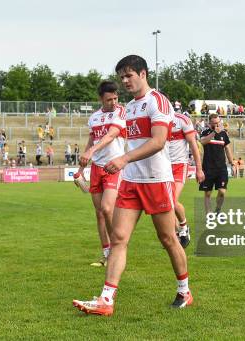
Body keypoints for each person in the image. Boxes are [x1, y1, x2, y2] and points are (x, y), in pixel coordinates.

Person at [73, 55, 192, 316]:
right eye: (121, 77)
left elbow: (159, 141)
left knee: (167, 238)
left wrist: (124, 158)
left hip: (156, 181)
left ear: (143, 74)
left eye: (129, 75)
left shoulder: (158, 101)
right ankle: (106, 299)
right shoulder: (128, 107)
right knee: (118, 238)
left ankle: (184, 290)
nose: (125, 81)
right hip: (131, 181)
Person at [77, 81, 126, 267]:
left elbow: (111, 135)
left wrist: (91, 151)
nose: (113, 102)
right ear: (100, 99)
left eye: (116, 98)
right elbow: (92, 139)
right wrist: (82, 166)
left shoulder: (121, 112)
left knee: (107, 208)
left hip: (113, 166)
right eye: (109, 99)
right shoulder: (94, 117)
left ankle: (117, 250)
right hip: (96, 168)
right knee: (99, 213)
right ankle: (106, 254)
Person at [169, 108, 204, 248]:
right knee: (165, 204)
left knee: (171, 200)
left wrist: (199, 169)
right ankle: (177, 233)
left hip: (179, 165)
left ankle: (183, 227)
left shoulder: (182, 120)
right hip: (161, 166)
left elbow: (193, 145)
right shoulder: (155, 120)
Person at [199, 113, 236, 214]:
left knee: (222, 191)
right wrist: (214, 133)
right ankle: (208, 214)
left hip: (221, 168)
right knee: (207, 193)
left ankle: (218, 210)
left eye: (218, 123)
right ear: (209, 123)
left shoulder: (224, 134)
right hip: (207, 168)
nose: (217, 125)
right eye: (214, 123)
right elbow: (203, 142)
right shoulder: (205, 132)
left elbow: (227, 149)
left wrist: (232, 164)